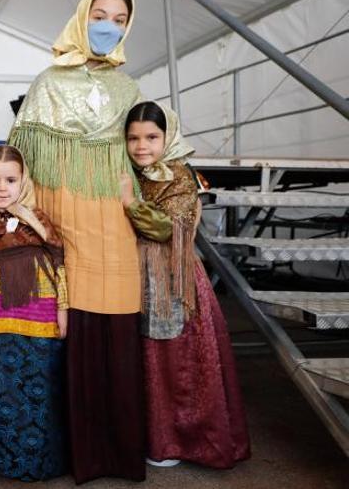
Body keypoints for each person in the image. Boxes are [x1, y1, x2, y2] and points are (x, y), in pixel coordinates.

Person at [7, 0, 146, 482]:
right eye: (100, 16)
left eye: (119, 20)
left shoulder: (129, 87)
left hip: (114, 222)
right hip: (63, 217)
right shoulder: (47, 83)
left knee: (118, 321)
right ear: (81, 18)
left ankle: (121, 451)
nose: (108, 26)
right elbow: (19, 158)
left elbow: (149, 152)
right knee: (72, 324)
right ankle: (79, 455)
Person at [121, 100, 251, 469]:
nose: (141, 146)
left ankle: (182, 441)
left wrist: (131, 203)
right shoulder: (125, 170)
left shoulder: (179, 175)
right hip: (135, 274)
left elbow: (169, 229)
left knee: (177, 360)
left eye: (151, 137)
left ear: (168, 137)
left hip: (173, 278)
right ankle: (155, 437)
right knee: (146, 360)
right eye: (133, 138)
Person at [0, 145, 69, 481]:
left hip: (42, 312)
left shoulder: (38, 218)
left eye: (11, 179)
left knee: (40, 382)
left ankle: (41, 461)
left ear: (23, 180)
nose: (2, 187)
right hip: (1, 314)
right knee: (4, 383)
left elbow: (58, 260)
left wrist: (63, 311)